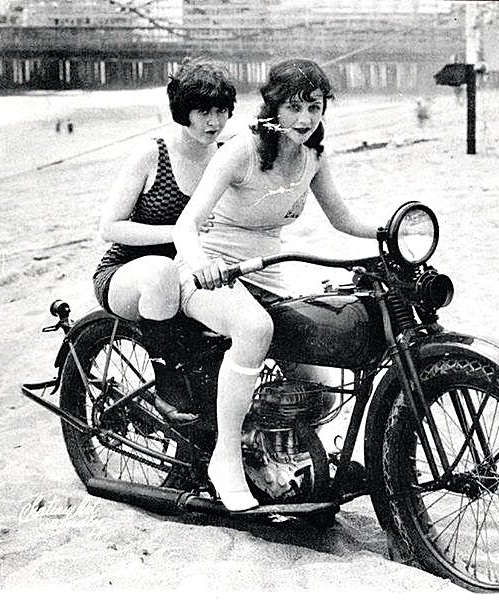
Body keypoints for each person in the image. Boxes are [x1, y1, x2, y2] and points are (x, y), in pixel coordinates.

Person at [173, 58, 380, 511]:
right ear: (273, 109)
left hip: (267, 274)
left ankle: (274, 451)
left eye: (315, 106)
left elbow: (343, 219)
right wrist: (200, 264)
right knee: (254, 329)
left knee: (320, 381)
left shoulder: (314, 158)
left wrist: (392, 232)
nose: (305, 120)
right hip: (209, 270)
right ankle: (224, 460)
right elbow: (186, 226)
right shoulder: (240, 150)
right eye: (293, 108)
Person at [92, 60, 236, 420]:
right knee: (161, 272)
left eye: (221, 111)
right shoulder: (152, 154)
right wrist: (177, 232)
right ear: (182, 110)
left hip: (191, 274)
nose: (213, 123)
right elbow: (109, 227)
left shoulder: (225, 155)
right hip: (131, 274)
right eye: (202, 111)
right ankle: (166, 389)